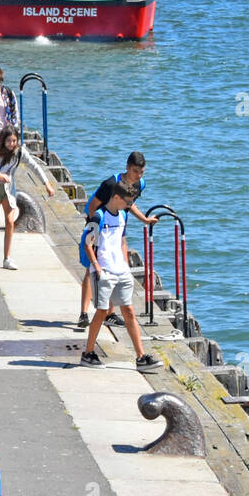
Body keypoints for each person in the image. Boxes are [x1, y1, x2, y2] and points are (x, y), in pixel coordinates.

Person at [81, 181, 161, 372]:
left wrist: (125, 266)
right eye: (128, 201)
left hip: (121, 271)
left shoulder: (123, 215)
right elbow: (87, 243)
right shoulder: (99, 216)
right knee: (101, 312)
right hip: (104, 271)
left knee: (129, 312)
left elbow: (121, 241)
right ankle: (88, 353)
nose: (130, 205)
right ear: (117, 197)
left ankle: (141, 357)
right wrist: (97, 267)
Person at [77, 152, 159, 326]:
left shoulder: (140, 184)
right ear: (127, 168)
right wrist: (97, 233)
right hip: (99, 225)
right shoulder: (110, 184)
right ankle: (84, 314)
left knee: (114, 267)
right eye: (136, 171)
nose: (139, 176)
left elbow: (129, 205)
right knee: (91, 268)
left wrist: (144, 219)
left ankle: (110, 313)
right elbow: (91, 208)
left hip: (119, 226)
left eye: (142, 172)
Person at [0, 124, 55, 269]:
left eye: (14, 141)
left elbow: (34, 166)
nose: (11, 144)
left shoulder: (19, 152)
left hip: (9, 191)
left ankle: (7, 258)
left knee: (10, 221)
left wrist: (46, 183)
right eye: (9, 141)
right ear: (3, 140)